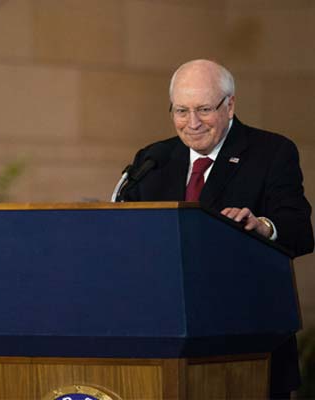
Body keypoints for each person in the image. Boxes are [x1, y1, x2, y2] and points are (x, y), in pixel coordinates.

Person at [120, 59, 314, 397]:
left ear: (230, 105)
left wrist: (263, 227)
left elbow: (300, 230)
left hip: (248, 342)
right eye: (181, 111)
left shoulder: (271, 152)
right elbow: (126, 235)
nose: (192, 123)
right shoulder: (154, 159)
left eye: (204, 109)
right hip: (163, 342)